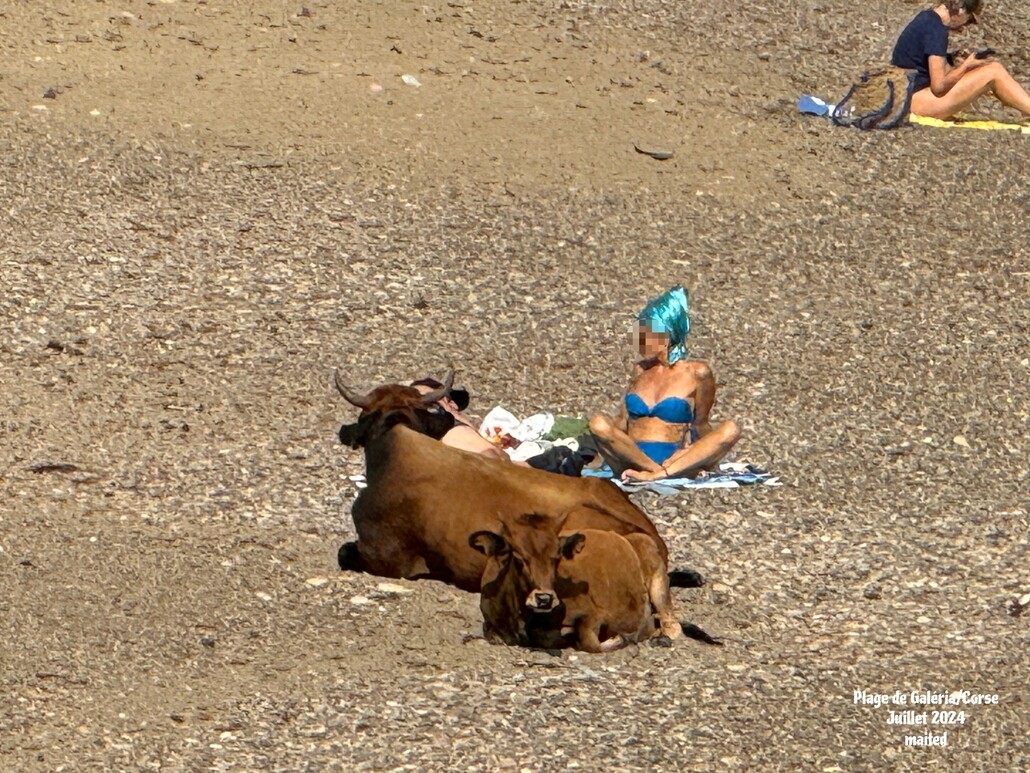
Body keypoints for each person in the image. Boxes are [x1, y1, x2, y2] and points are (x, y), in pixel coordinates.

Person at [588, 286, 740, 482]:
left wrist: (706, 456)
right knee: (598, 423)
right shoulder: (640, 370)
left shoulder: (697, 373)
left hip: (673, 461)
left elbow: (700, 423)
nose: (639, 341)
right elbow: (622, 420)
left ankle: (658, 474)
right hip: (631, 458)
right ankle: (654, 472)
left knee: (731, 429)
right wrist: (599, 458)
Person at [411, 378, 586, 476]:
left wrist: (513, 444)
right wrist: (538, 466)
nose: (452, 404)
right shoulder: (452, 430)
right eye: (443, 400)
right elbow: (492, 464)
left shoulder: (456, 430)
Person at [891, 1, 1030, 119]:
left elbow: (938, 71)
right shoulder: (936, 30)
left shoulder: (927, 19)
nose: (965, 27)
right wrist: (965, 67)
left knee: (988, 72)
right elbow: (938, 87)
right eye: (969, 20)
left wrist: (959, 65)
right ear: (959, 9)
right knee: (994, 71)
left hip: (906, 97)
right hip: (916, 102)